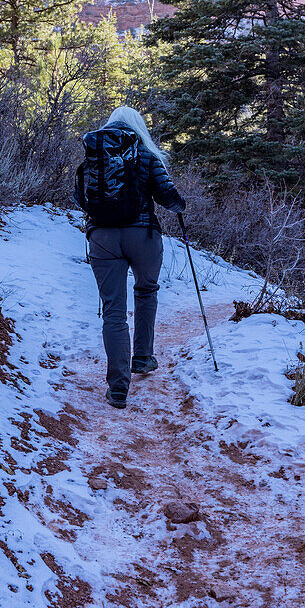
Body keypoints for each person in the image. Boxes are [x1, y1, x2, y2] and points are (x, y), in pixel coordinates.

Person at [75, 106, 186, 409]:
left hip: (102, 238)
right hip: (142, 236)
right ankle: (143, 357)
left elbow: (79, 196)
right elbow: (167, 196)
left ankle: (118, 388)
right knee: (146, 291)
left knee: (113, 311)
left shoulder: (94, 155)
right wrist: (180, 205)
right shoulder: (146, 155)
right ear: (138, 127)